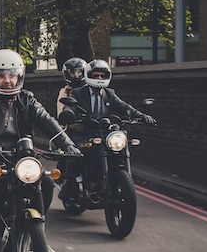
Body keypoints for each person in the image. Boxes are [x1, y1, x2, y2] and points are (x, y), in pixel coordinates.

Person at [0, 49, 82, 252]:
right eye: (1, 75)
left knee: (46, 182)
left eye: (11, 75)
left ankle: (38, 234)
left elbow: (47, 120)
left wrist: (67, 144)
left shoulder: (27, 99)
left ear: (19, 76)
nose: (7, 80)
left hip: (22, 156)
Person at [58, 58, 157, 204]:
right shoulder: (78, 93)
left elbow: (124, 107)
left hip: (105, 132)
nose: (99, 78)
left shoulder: (109, 93)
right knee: (76, 152)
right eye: (96, 75)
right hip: (83, 132)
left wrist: (141, 116)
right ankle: (70, 183)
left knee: (119, 147)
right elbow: (69, 107)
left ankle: (112, 181)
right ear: (88, 75)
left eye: (102, 76)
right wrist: (69, 114)